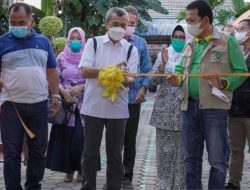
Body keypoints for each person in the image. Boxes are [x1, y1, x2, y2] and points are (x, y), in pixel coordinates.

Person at [167, 1, 248, 189]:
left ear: (205, 20)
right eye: (187, 20)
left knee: (217, 160)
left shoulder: (228, 40)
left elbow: (241, 72)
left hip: (215, 110)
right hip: (188, 107)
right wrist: (176, 79)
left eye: (191, 20)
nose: (188, 24)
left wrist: (225, 82)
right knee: (190, 160)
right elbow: (180, 69)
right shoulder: (190, 43)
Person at [0, 3, 60, 190]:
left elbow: (51, 71)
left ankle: (34, 186)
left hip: (39, 105)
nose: (17, 26)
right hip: (11, 106)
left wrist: (56, 95)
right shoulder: (2, 42)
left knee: (38, 151)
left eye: (21, 22)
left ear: (31, 22)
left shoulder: (43, 42)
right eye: (12, 22)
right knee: (11, 153)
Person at [79, 7, 138, 190]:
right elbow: (85, 71)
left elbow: (130, 80)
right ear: (107, 24)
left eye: (123, 25)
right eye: (115, 24)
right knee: (90, 153)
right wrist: (109, 71)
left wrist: (122, 77)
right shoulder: (93, 43)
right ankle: (88, 187)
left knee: (114, 154)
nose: (119, 28)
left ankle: (114, 187)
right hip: (93, 107)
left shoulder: (130, 50)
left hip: (117, 109)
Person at [150, 25, 189, 190]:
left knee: (181, 151)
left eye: (182, 37)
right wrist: (162, 66)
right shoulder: (164, 53)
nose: (178, 40)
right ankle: (164, 184)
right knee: (164, 150)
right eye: (175, 36)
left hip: (183, 108)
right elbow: (153, 82)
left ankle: (179, 185)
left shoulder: (191, 54)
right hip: (164, 109)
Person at [46, 27, 86, 183]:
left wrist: (82, 87)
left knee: (80, 138)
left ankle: (82, 169)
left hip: (84, 103)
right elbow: (54, 76)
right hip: (65, 104)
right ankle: (68, 170)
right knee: (65, 138)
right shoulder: (61, 57)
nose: (75, 41)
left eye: (78, 38)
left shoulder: (88, 57)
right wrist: (62, 91)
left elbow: (94, 77)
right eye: (72, 38)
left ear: (83, 40)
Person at [122, 5, 152, 188]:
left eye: (132, 23)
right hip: (112, 98)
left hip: (133, 98)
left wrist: (144, 89)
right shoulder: (109, 42)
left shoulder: (140, 43)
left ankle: (127, 176)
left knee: (130, 139)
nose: (129, 26)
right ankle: (114, 174)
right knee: (113, 139)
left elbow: (147, 69)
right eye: (126, 23)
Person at [225, 19, 250, 190]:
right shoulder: (237, 52)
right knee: (236, 150)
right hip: (234, 110)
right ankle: (234, 182)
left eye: (241, 29)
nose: (237, 33)